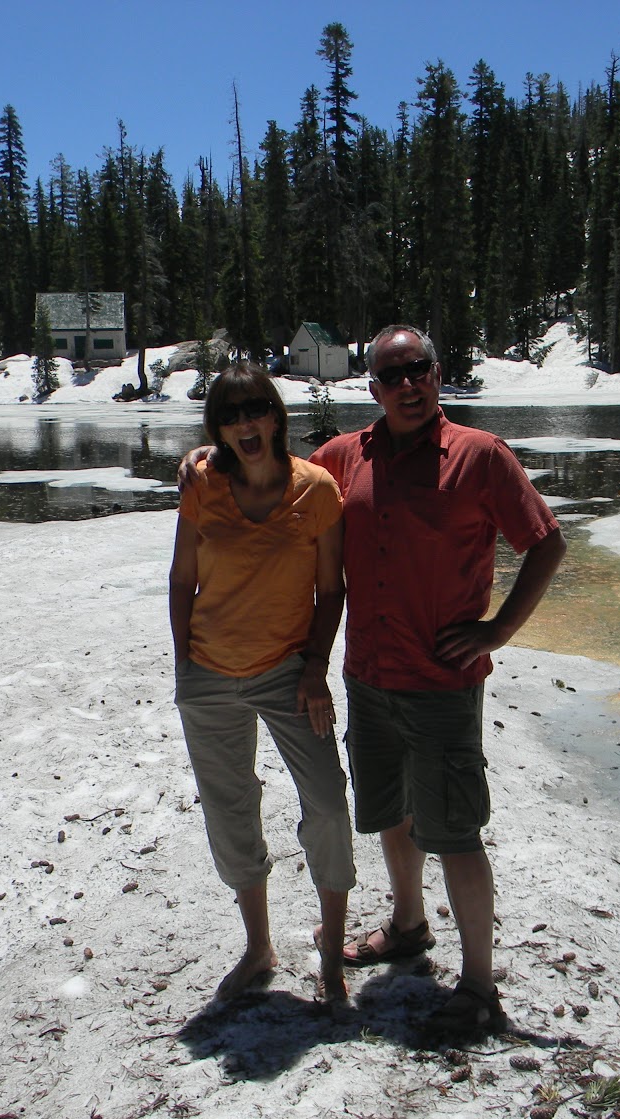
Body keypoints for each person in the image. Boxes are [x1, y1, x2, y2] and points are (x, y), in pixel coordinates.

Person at [307, 323, 566, 1037]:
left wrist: (498, 629)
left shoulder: (479, 456)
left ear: (437, 373)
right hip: (368, 676)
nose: (409, 385)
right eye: (393, 375)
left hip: (442, 683)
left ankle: (479, 984)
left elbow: (546, 543)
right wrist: (209, 457)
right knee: (390, 811)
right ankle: (409, 924)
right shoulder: (344, 457)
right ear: (374, 389)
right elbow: (279, 480)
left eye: (418, 369)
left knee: (454, 830)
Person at [169, 363, 354, 1006]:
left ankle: (332, 951)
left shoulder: (316, 490)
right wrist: (185, 665)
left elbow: (330, 591)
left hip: (287, 672)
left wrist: (314, 669)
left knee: (327, 803)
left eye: (256, 410)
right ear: (217, 429)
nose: (246, 424)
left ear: (276, 415)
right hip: (209, 673)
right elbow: (181, 580)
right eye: (230, 415)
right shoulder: (203, 484)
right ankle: (258, 947)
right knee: (230, 809)